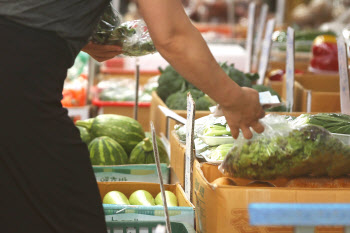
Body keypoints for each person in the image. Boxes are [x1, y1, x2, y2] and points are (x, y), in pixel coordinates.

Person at [0, 0, 264, 232]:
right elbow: (172, 36)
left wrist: (79, 28)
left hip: (19, 83)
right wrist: (234, 99)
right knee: (73, 217)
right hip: (18, 93)